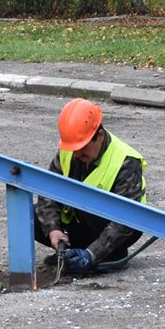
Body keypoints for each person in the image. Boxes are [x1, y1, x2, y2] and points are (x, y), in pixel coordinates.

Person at [34, 98, 147, 273]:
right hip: (81, 221)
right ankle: (72, 254)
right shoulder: (70, 150)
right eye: (74, 148)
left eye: (83, 147)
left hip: (119, 228)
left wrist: (92, 255)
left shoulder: (126, 161)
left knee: (88, 201)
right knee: (29, 215)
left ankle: (110, 255)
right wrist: (53, 230)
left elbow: (125, 219)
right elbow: (47, 194)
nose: (77, 153)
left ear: (100, 136)